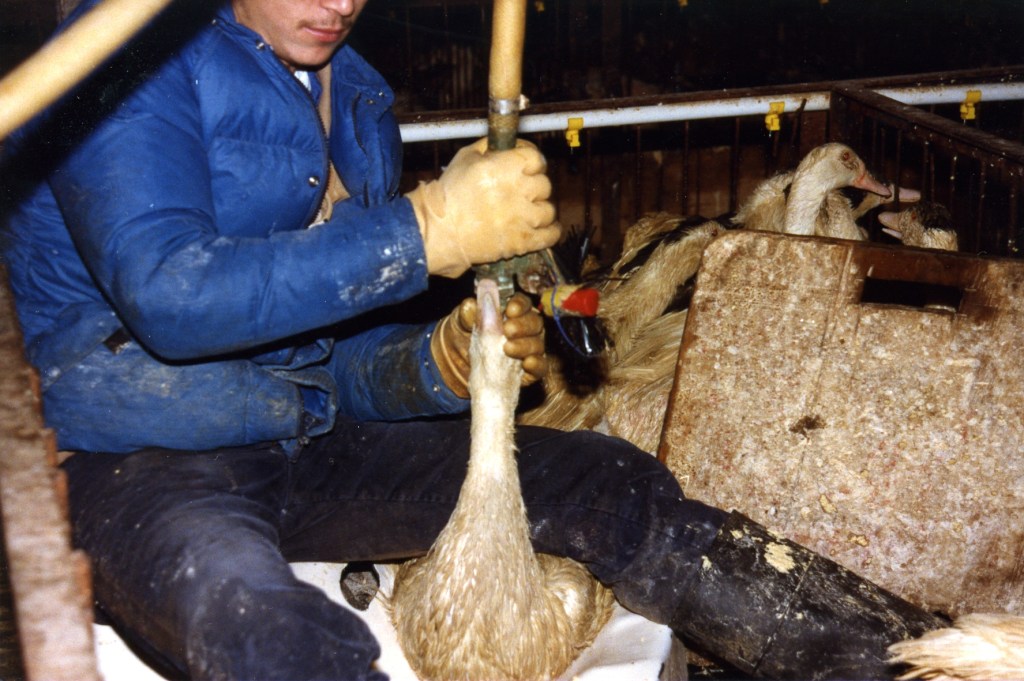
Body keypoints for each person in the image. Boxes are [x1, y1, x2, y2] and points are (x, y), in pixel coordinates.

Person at [0, 0, 942, 679]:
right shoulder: (124, 55)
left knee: (606, 484)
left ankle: (904, 657)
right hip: (140, 457)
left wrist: (434, 364)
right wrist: (426, 231)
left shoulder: (354, 98)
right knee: (250, 620)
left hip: (305, 444)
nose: (342, 3)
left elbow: (329, 361)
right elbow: (170, 295)